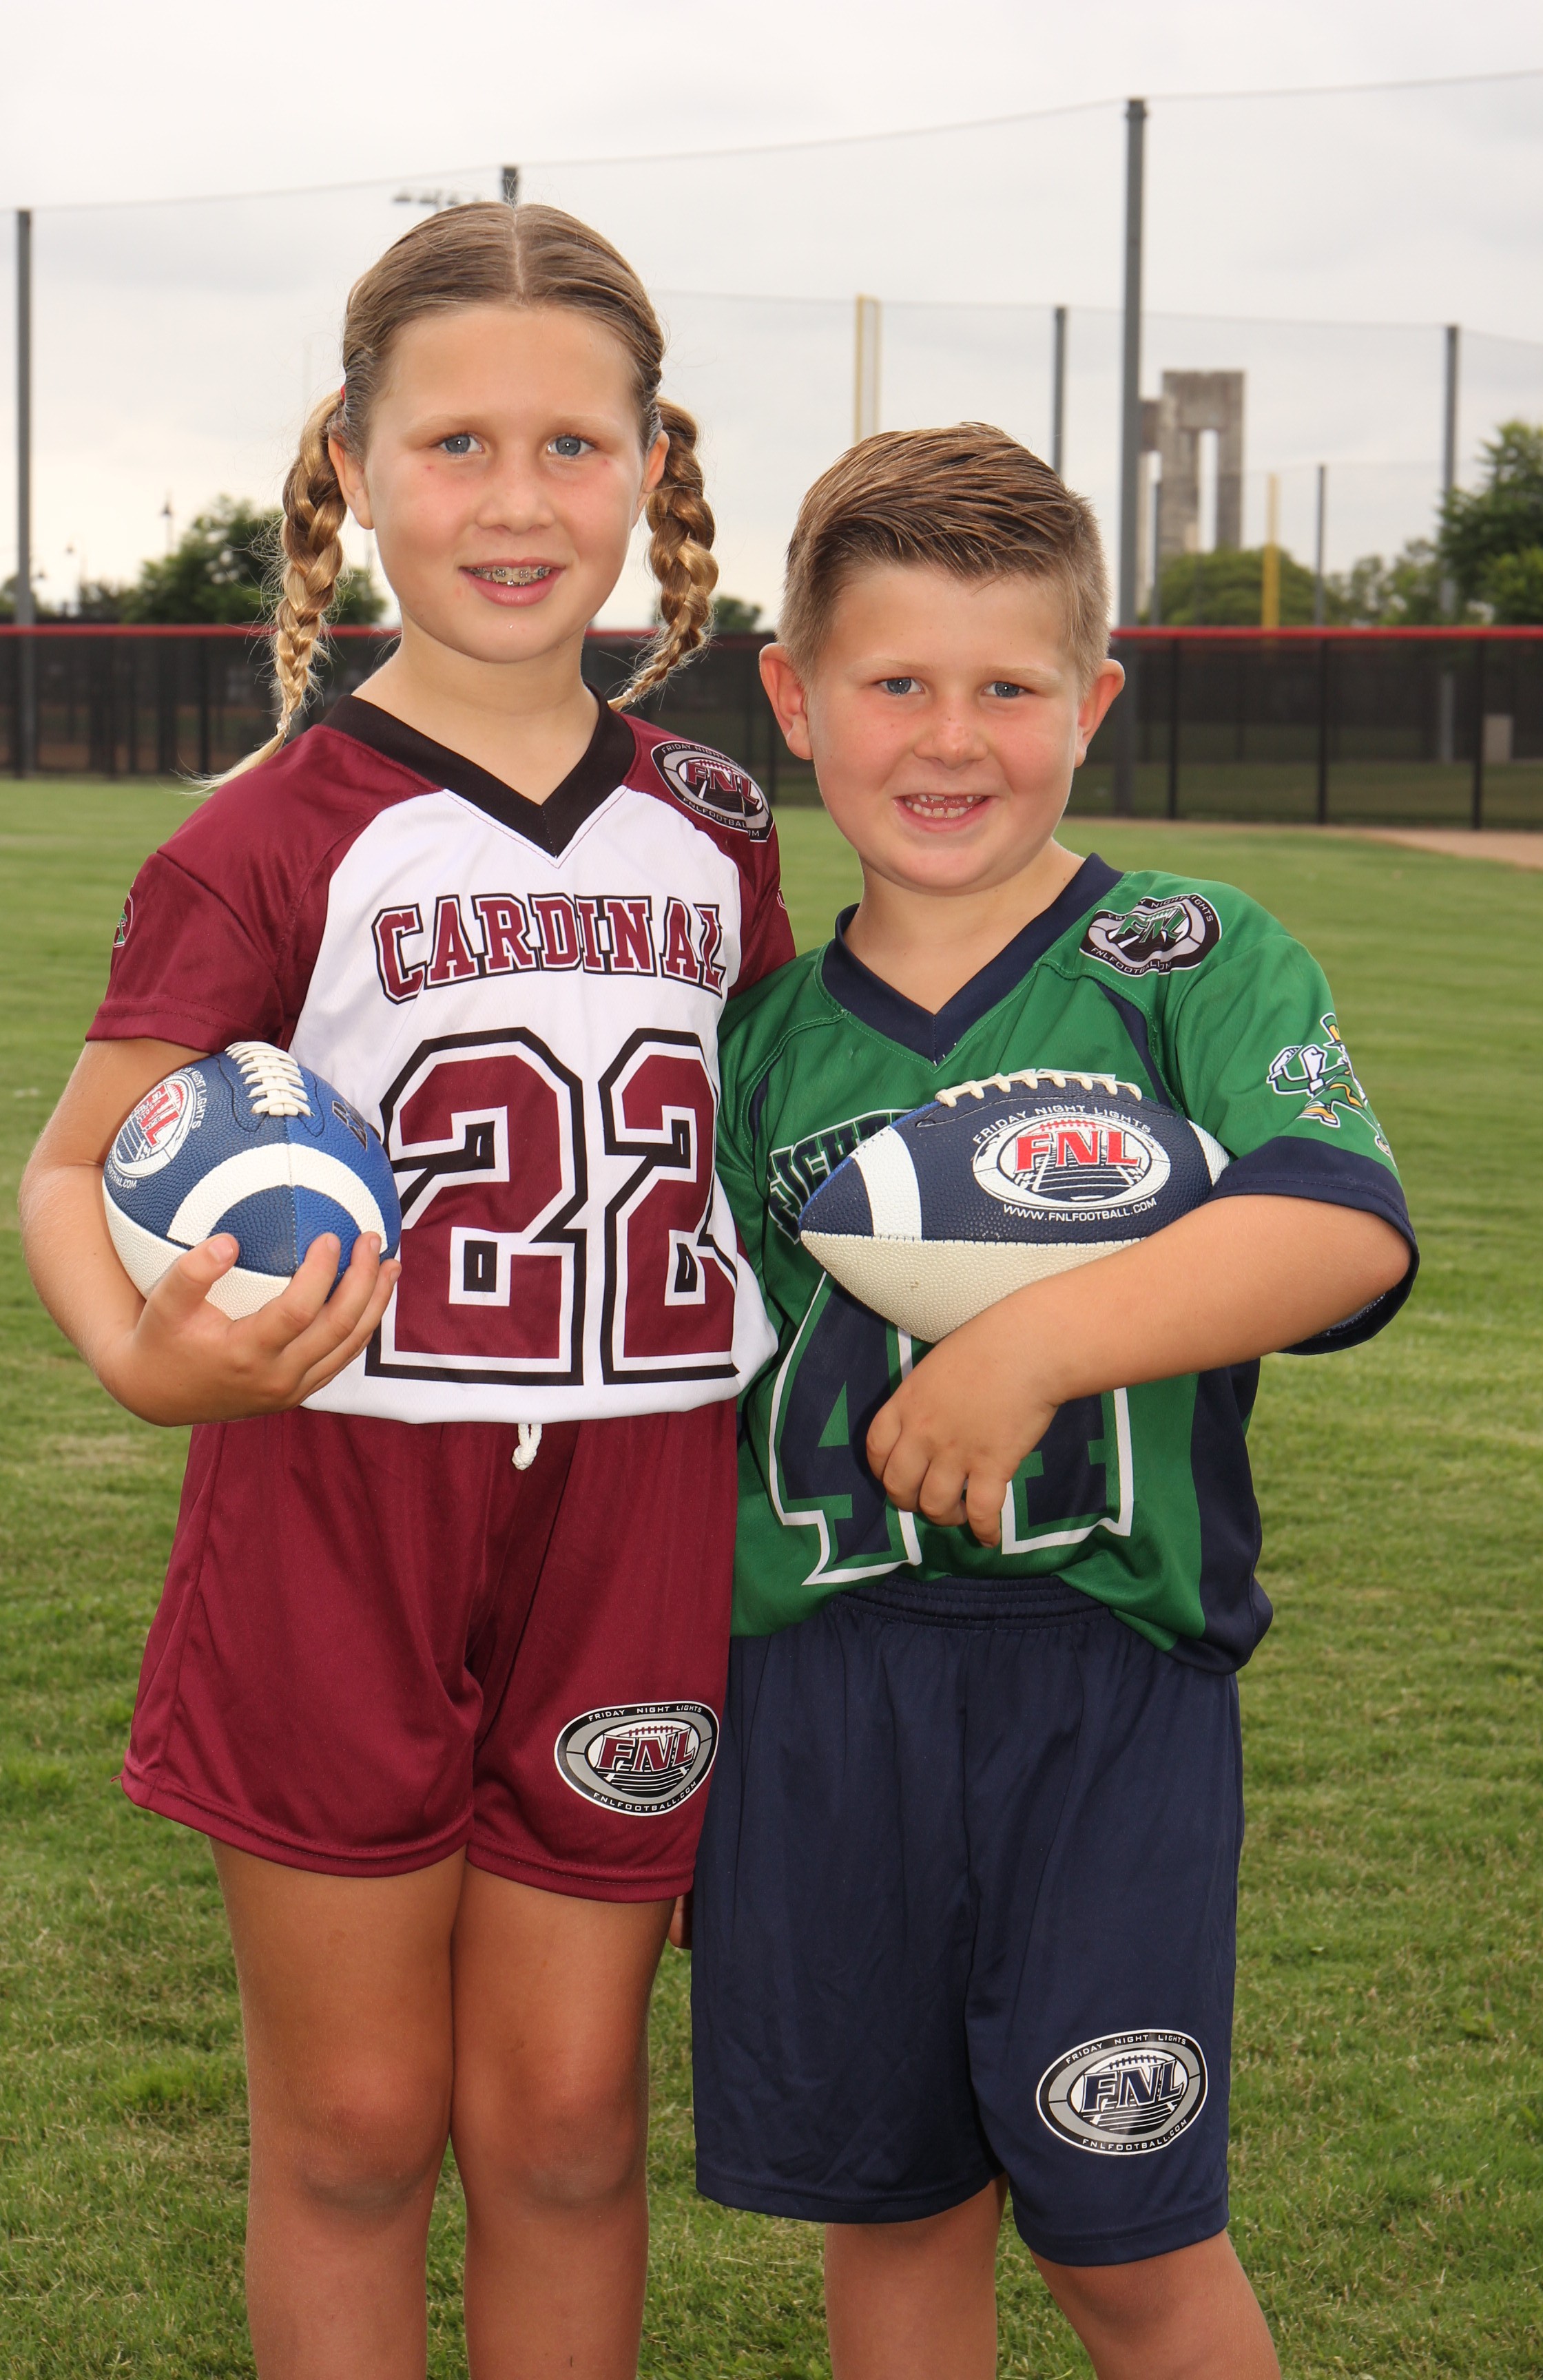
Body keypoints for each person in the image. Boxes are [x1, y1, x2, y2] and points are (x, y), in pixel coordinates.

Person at [19, 201, 792, 2380]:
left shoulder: (718, 823)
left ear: (650, 470)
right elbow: (70, 1167)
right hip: (336, 1503)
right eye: (456, 445)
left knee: (566, 2125)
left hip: (637, 1512)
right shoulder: (267, 834)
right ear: (354, 467)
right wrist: (145, 1361)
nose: (515, 502)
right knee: (356, 2130)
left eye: (572, 445)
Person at [690, 425, 1416, 2380]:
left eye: (1009, 689)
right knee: (893, 2218)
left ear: (1092, 704)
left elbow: (1341, 1231)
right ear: (796, 700)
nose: (952, 739)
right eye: (895, 684)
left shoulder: (1186, 958)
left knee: (1130, 2243)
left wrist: (1033, 1346)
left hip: (1108, 1688)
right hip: (819, 1697)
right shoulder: (755, 1037)